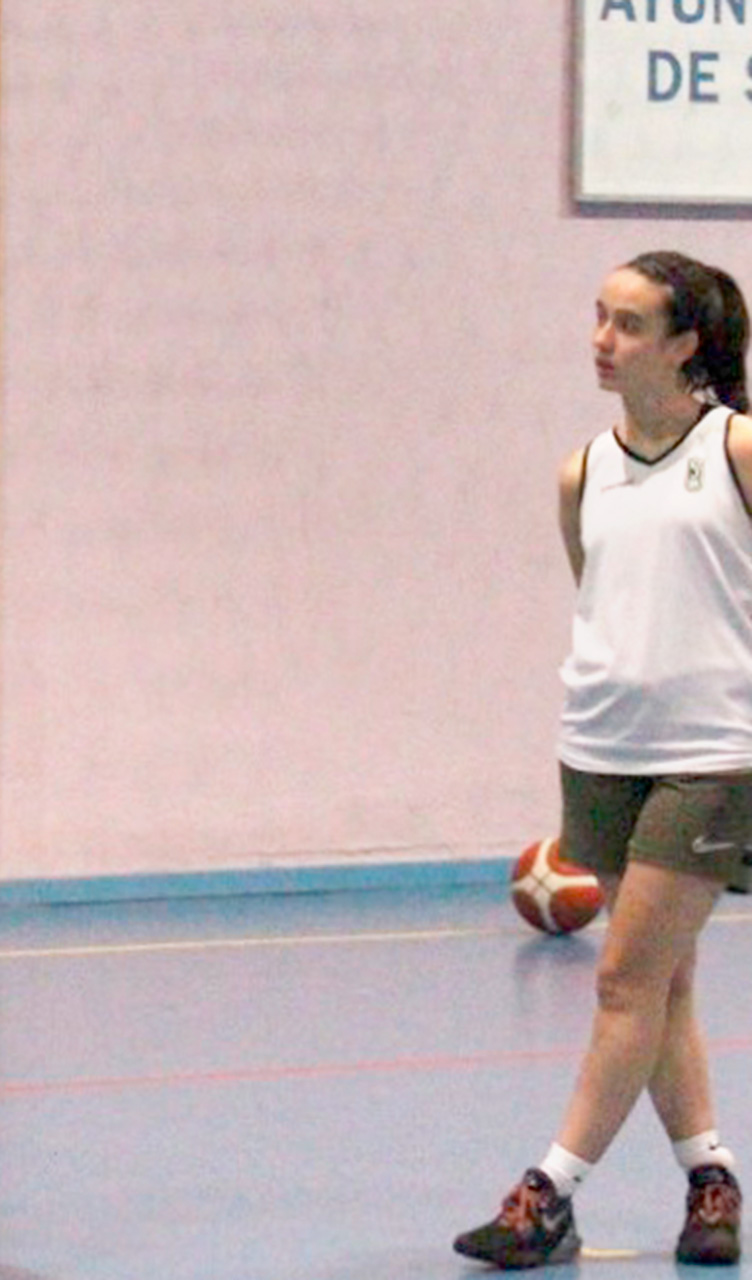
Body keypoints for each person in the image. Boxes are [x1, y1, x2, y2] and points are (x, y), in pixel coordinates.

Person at [454, 250, 752, 1270]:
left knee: (624, 977)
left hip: (716, 754)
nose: (601, 339)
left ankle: (549, 1191)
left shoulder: (741, 450)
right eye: (598, 318)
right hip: (602, 747)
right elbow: (603, 597)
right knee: (662, 981)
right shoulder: (582, 469)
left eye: (628, 324)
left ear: (685, 345)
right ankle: (711, 1178)